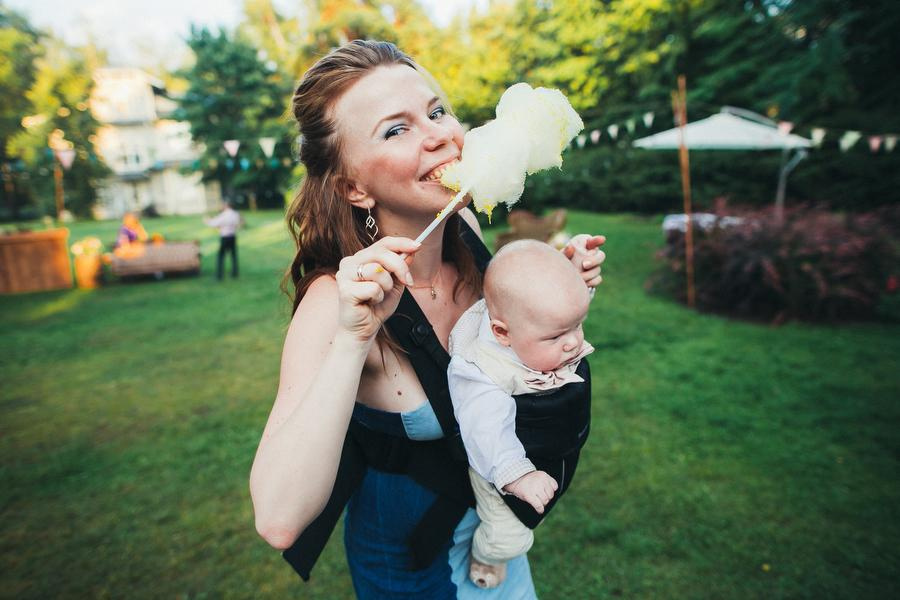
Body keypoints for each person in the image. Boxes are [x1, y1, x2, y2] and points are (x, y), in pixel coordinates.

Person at [248, 40, 605, 599]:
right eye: (397, 129)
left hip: (495, 542)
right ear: (352, 187)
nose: (440, 134)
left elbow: (503, 358)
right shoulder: (334, 302)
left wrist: (550, 293)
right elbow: (277, 518)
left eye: (437, 112)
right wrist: (352, 339)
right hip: (409, 567)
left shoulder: (469, 238)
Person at [448, 240, 595, 589]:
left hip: (547, 442)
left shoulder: (530, 323)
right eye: (558, 335)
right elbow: (486, 433)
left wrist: (572, 274)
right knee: (511, 536)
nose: (573, 342)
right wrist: (519, 477)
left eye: (578, 326)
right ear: (501, 332)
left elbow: (556, 309)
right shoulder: (482, 372)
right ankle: (486, 556)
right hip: (500, 467)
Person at [205, 201, 242, 279]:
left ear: (226, 206)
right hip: (233, 236)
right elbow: (238, 224)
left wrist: (207, 220)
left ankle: (219, 275)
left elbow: (213, 223)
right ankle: (235, 273)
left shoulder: (223, 215)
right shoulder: (235, 214)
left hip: (225, 237)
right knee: (233, 255)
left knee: (221, 256)